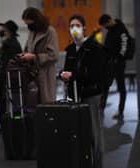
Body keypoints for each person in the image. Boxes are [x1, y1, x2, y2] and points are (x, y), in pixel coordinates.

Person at [60, 14, 104, 168]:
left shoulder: (94, 47)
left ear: (84, 28)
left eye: (77, 25)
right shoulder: (71, 49)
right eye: (71, 26)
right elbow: (67, 69)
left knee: (93, 132)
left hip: (91, 94)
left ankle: (96, 164)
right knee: (77, 132)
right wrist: (63, 74)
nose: (74, 29)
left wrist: (73, 75)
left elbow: (95, 74)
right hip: (75, 95)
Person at [18, 7, 59, 104]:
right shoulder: (32, 32)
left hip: (45, 75)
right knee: (33, 106)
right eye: (26, 24)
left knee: (46, 106)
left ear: (36, 20)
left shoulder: (50, 32)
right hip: (32, 75)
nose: (28, 26)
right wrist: (23, 54)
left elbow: (54, 55)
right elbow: (27, 48)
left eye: (29, 23)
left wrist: (34, 57)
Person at [0, 20, 22, 128]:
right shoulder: (7, 43)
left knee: (5, 104)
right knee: (3, 104)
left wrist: (1, 79)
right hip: (4, 79)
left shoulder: (11, 44)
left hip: (7, 80)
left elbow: (7, 64)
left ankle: (6, 126)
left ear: (9, 31)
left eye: (4, 29)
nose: (2, 31)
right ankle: (4, 126)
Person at [99, 14, 129, 120]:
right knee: (105, 86)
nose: (105, 27)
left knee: (121, 87)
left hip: (119, 63)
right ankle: (101, 108)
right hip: (109, 63)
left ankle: (121, 111)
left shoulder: (121, 29)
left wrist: (118, 59)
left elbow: (124, 45)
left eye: (105, 25)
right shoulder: (110, 30)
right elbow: (107, 47)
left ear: (110, 21)